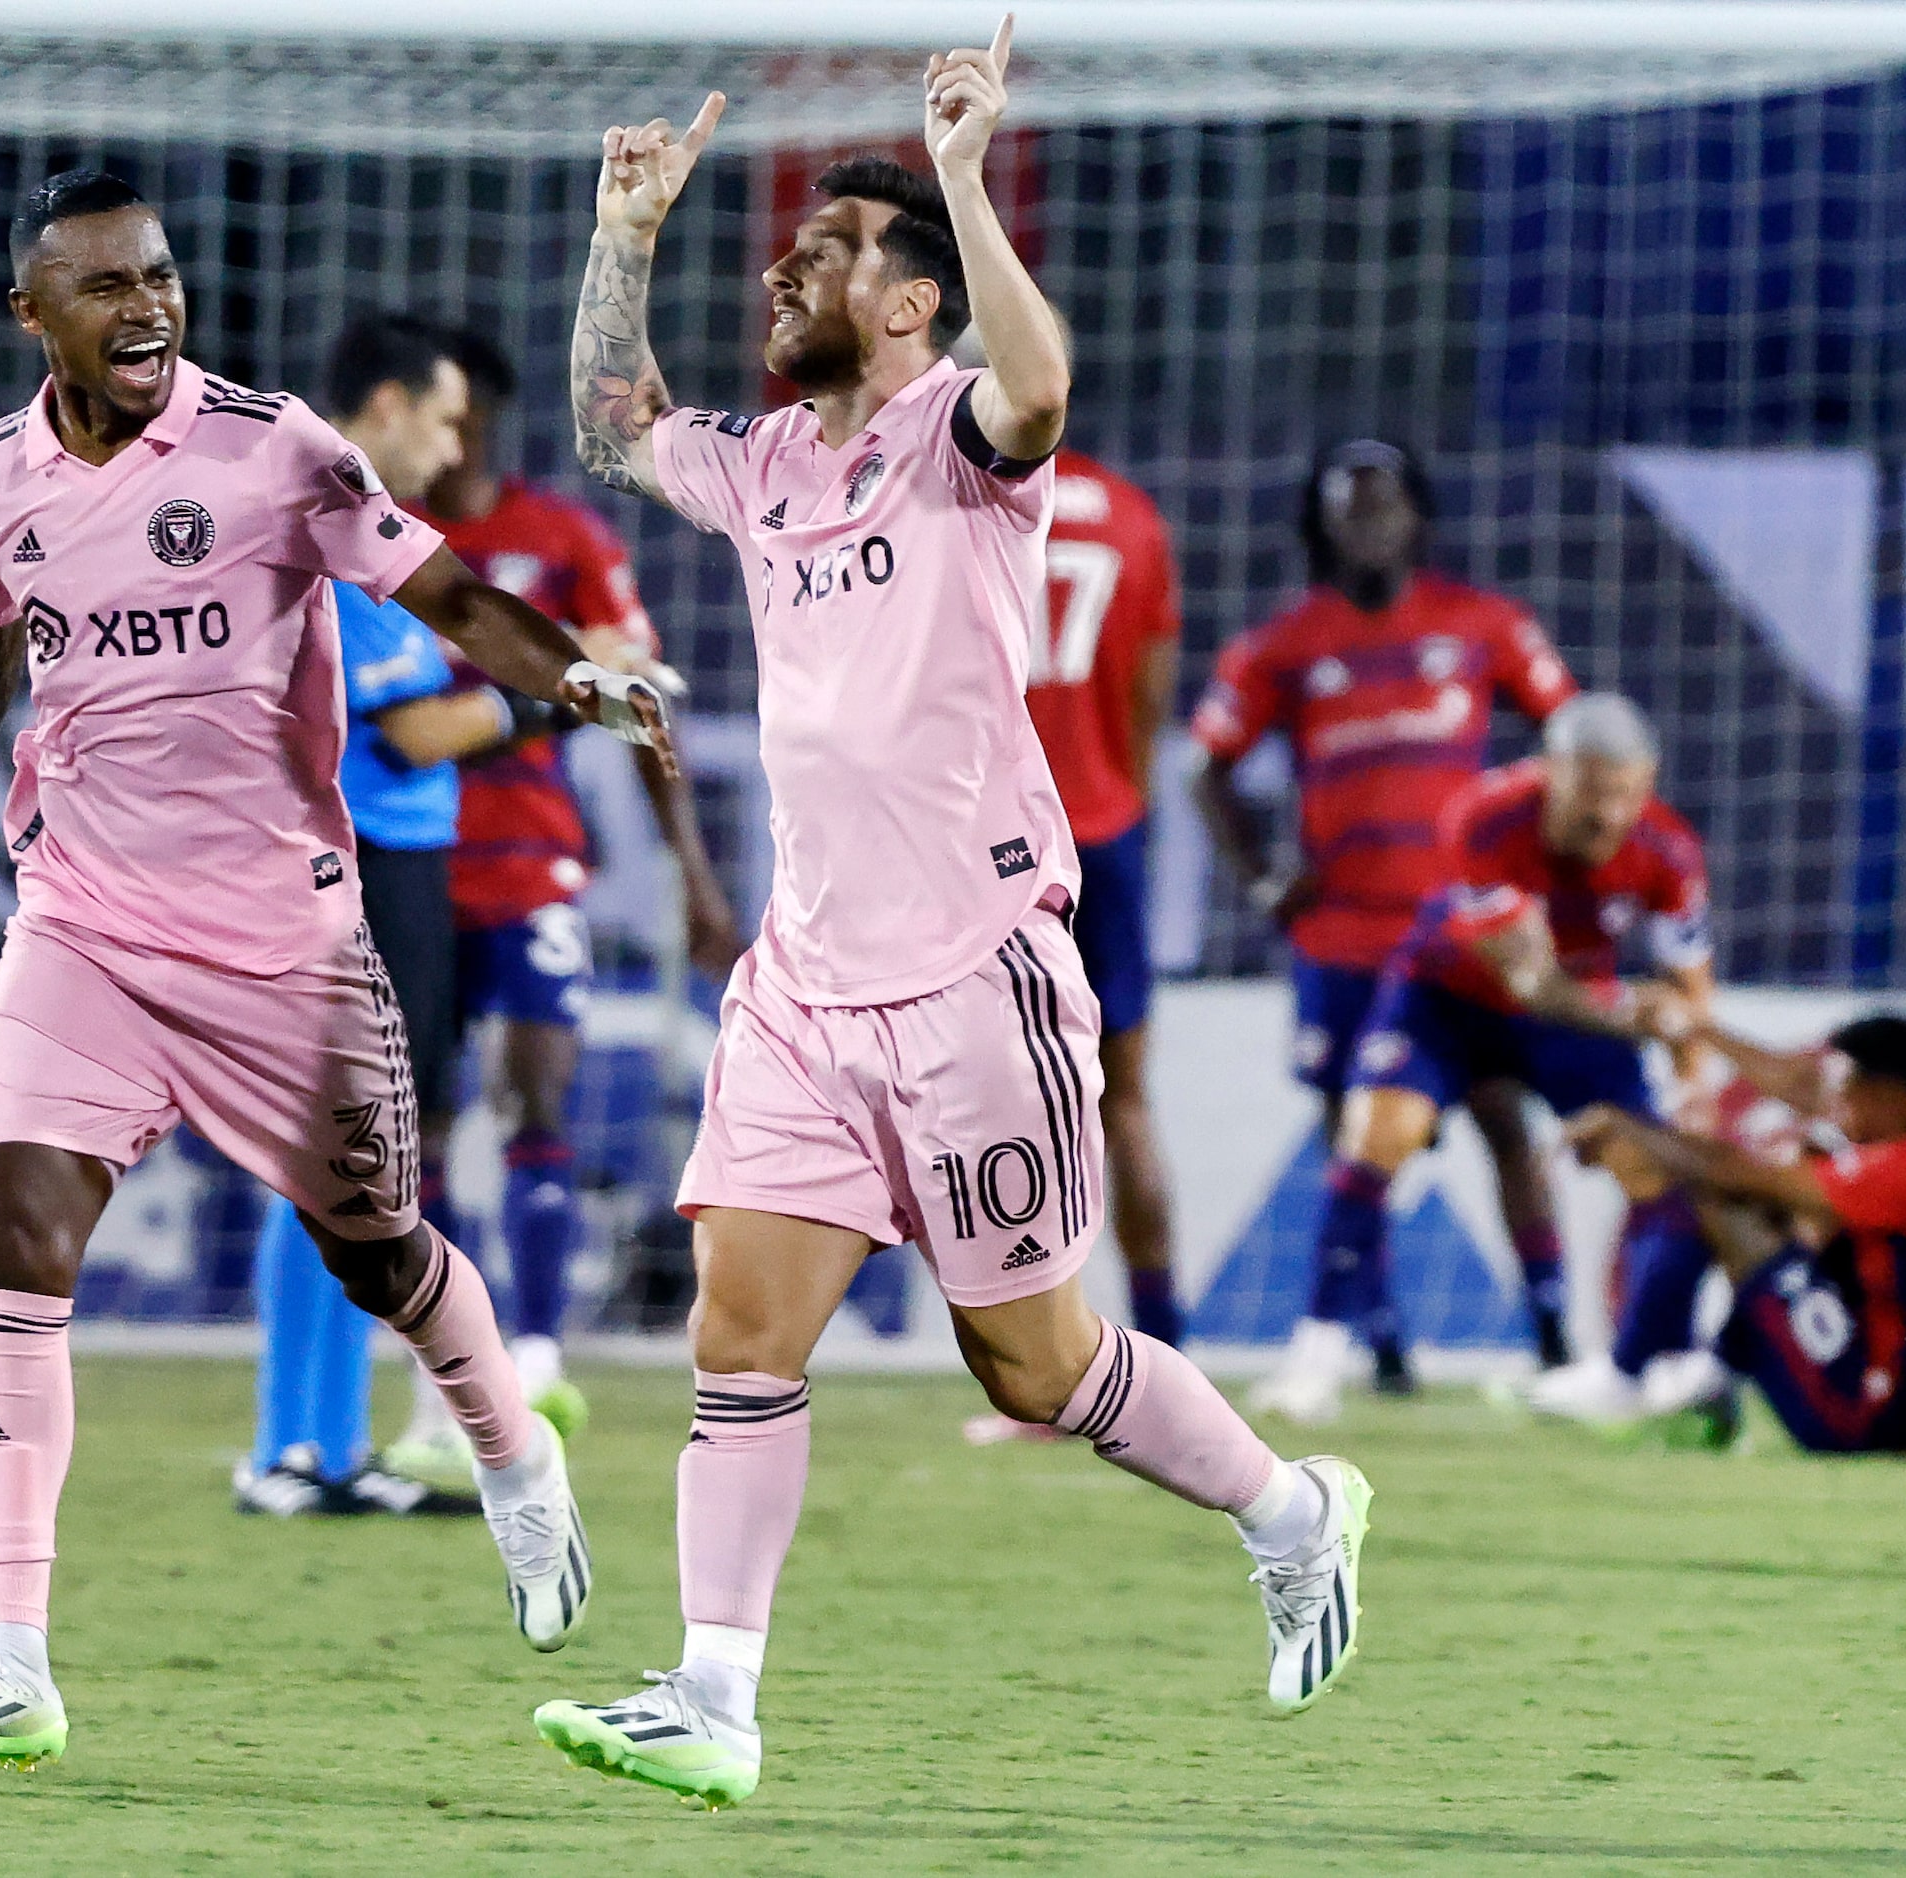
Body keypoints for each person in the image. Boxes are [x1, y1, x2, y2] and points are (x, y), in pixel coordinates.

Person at [528, 28, 1372, 1812]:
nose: (786, 268)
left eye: (825, 250)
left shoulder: (958, 440)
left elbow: (1043, 388)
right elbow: (612, 428)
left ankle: (1293, 1512)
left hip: (978, 979)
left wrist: (969, 179)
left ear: (910, 305)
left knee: (1038, 1361)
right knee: (739, 1338)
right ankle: (715, 1693)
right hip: (806, 988)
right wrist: (626, 233)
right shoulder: (763, 466)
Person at [0, 171, 668, 1766]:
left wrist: (583, 686)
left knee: (378, 1249)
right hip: (83, 922)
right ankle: (13, 1653)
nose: (145, 305)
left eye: (158, 276)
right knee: (19, 1218)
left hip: (284, 941)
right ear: (32, 315)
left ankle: (507, 1455)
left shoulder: (276, 449)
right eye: (103, 285)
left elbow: (454, 594)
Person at [377, 326, 740, 1481]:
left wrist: (690, 868)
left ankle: (533, 1355)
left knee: (537, 1104)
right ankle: (445, 1375)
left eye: (454, 415)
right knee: (418, 1127)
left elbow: (636, 694)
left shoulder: (561, 539)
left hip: (531, 859)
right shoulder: (381, 538)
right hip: (408, 865)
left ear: (473, 414)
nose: (445, 437)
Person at [235, 312, 560, 1517]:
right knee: (328, 1153)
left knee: (366, 1164)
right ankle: (286, 1447)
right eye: (438, 413)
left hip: (402, 868)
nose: (450, 439)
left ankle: (331, 1443)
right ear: (382, 407)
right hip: (353, 865)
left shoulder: (372, 542)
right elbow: (413, 731)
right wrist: (566, 696)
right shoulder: (325, 532)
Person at [1193, 438, 1579, 1403]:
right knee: (1354, 1133)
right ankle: (1379, 1339)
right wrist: (1261, 878)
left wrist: (1538, 867)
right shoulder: (1282, 646)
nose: (1368, 523)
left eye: (1384, 504)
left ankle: (1558, 1333)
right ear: (1322, 525)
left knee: (1503, 1118)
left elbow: (1568, 733)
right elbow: (1206, 767)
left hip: (1460, 934)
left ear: (1417, 515)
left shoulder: (1485, 624)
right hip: (1345, 935)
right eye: (1347, 507)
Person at [1250, 694, 1713, 1424]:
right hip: (1451, 999)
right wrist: (1631, 1009)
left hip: (1573, 1019)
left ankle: (1671, 1365)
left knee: (1660, 1165)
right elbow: (1525, 981)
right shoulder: (1486, 817)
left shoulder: (1670, 851)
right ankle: (1316, 1360)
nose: (1608, 814)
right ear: (1548, 773)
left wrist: (1694, 1086)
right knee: (1376, 1138)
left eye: (1626, 793)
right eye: (1591, 791)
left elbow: (1692, 987)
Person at [950, 316, 1186, 1450]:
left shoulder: (951, 493)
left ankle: (1059, 1378)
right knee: (1124, 1097)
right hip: (1107, 832)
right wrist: (1111, 803)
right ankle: (1169, 1353)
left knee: (1019, 1110)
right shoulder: (1132, 515)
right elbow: (1149, 698)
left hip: (991, 843)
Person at [1568, 1014, 1906, 1455]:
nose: (1839, 1105)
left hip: (1874, 1421)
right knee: (1809, 1191)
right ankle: (1703, 1377)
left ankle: (1633, 1372)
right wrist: (1698, 1029)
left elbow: (1732, 1173)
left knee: (1722, 1200)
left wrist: (1626, 1126)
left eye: (1849, 1091)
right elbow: (1801, 1094)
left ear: (1892, 1098)